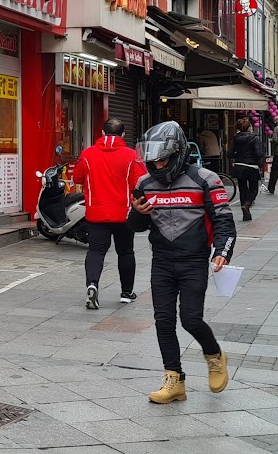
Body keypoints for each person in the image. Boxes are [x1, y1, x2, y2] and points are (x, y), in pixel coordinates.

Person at [129, 121, 237, 405]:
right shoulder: (143, 183)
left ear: (177, 154)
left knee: (190, 319)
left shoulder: (206, 179)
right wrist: (137, 212)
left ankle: (214, 355)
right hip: (162, 261)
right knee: (163, 321)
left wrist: (222, 251)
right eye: (153, 160)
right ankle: (174, 379)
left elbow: (224, 221)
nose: (158, 165)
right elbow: (136, 225)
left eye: (163, 159)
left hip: (193, 261)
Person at [71, 118, 148, 310]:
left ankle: (92, 284)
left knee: (96, 251)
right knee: (126, 252)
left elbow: (77, 177)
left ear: (103, 133)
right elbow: (141, 182)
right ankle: (126, 293)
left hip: (96, 213)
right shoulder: (132, 156)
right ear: (123, 134)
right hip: (123, 213)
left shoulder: (88, 154)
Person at [227, 117, 265, 221]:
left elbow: (229, 154)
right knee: (254, 189)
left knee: (243, 189)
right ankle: (247, 205)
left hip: (239, 166)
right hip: (252, 166)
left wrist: (237, 156)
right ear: (249, 127)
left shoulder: (235, 138)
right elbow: (258, 153)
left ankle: (245, 213)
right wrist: (258, 158)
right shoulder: (254, 138)